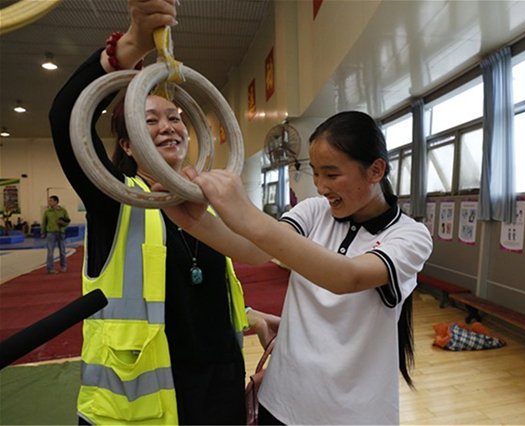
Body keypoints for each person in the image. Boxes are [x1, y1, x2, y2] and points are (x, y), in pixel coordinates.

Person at [48, 0, 278, 424]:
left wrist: (248, 316)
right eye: (149, 119)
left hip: (219, 389)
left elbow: (190, 292)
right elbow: (65, 117)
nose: (168, 125)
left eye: (175, 117)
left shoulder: (205, 201)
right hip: (146, 404)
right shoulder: (116, 200)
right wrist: (128, 47)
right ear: (129, 144)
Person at [164, 111, 434, 424]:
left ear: (375, 171)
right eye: (316, 173)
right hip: (281, 401)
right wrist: (192, 220)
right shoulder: (315, 211)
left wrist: (243, 212)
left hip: (352, 413)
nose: (320, 186)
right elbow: (255, 251)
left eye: (332, 175)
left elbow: (348, 276)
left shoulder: (410, 235)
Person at [42, 195, 70, 274]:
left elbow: (67, 221)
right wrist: (43, 232)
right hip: (51, 233)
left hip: (61, 232)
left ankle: (63, 266)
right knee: (50, 252)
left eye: (51, 201)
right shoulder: (47, 212)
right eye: (49, 201)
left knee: (62, 251)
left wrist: (63, 227)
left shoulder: (63, 211)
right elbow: (44, 223)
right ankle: (50, 269)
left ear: (56, 202)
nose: (49, 202)